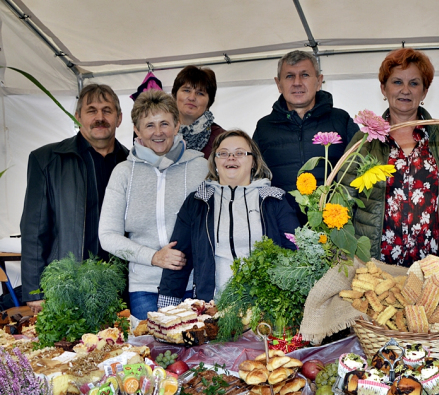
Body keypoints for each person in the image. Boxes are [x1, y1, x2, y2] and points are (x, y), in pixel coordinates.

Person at [343, 48, 439, 266]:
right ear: (383, 88)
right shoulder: (364, 139)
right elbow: (343, 199)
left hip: (434, 262)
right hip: (377, 264)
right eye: (397, 82)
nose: (405, 90)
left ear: (425, 92)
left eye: (414, 83)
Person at [98, 90, 208, 320]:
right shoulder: (124, 173)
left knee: (200, 354)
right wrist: (153, 257)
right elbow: (107, 235)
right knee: (151, 353)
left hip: (195, 284)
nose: (158, 132)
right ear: (137, 130)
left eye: (164, 123)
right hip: (144, 288)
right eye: (149, 125)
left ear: (177, 125)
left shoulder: (201, 167)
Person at [20, 84, 129, 314]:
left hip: (120, 289)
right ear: (78, 116)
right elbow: (33, 229)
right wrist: (35, 291)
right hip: (65, 286)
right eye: (91, 110)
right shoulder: (46, 160)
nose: (100, 117)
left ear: (119, 118)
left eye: (107, 110)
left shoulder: (132, 163)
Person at [158, 130, 300, 305]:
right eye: (223, 153)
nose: (231, 158)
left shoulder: (275, 199)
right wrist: (166, 309)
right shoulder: (197, 202)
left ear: (253, 161)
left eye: (240, 153)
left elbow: (295, 252)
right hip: (212, 309)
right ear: (215, 162)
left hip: (266, 308)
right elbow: (178, 259)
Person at [252, 50, 359, 224]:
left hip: (333, 228)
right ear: (278, 84)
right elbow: (252, 178)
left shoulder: (341, 120)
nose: (297, 83)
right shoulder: (264, 127)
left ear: (319, 81)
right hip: (280, 229)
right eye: (289, 76)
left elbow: (358, 172)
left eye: (305, 75)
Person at [172, 65, 226, 158]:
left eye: (200, 93)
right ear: (175, 95)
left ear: (209, 102)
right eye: (186, 90)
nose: (192, 98)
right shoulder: (160, 133)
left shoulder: (221, 139)